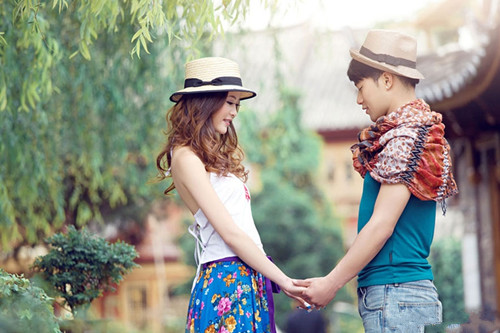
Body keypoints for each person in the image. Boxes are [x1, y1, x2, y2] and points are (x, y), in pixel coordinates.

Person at [296, 29, 459, 332]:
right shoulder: (417, 131)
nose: (358, 100)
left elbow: (382, 224)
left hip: (394, 292)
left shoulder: (406, 136)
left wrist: (331, 283)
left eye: (361, 87)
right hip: (399, 292)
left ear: (386, 80)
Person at [156, 57, 305, 333]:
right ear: (207, 101)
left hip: (246, 276)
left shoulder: (210, 155)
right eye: (229, 102)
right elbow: (231, 233)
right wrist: (285, 281)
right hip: (226, 280)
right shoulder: (186, 157)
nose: (235, 112)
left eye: (237, 104)